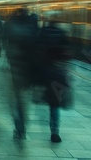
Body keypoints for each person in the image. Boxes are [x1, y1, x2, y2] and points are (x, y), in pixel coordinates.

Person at [3, 7, 39, 143]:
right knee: (24, 101)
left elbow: (7, 44)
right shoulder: (33, 26)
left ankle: (19, 127)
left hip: (15, 69)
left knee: (16, 100)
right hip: (29, 70)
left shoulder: (11, 25)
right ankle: (23, 126)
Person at [35, 11, 72, 143]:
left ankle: (40, 98)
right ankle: (54, 131)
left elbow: (37, 52)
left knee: (47, 96)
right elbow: (67, 55)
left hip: (44, 72)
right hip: (58, 73)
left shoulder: (42, 32)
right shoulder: (62, 34)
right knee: (55, 104)